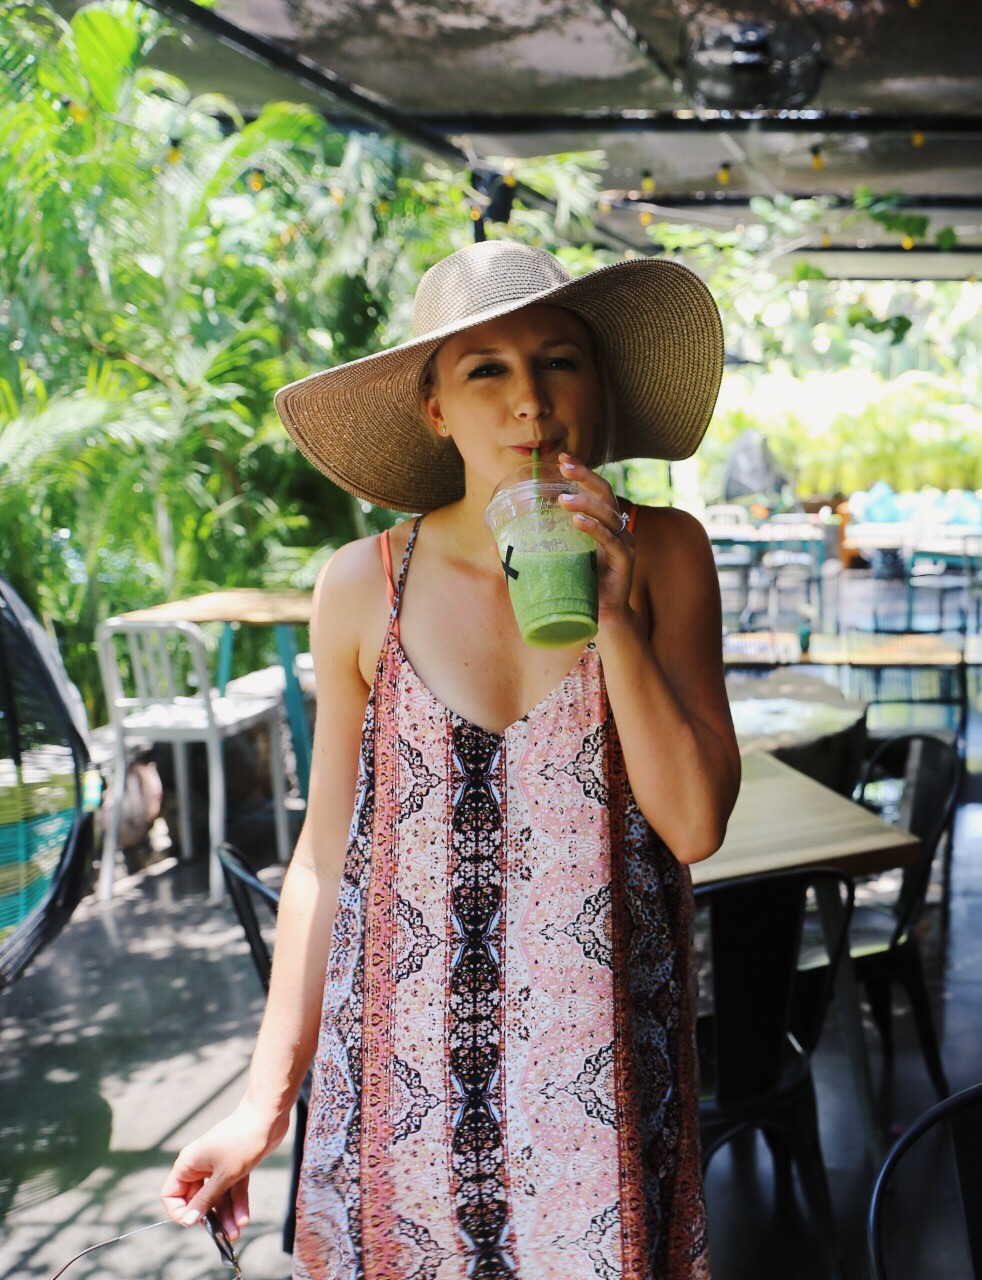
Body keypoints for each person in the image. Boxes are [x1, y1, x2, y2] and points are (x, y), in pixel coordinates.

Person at [160, 239, 739, 1279]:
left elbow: (694, 823)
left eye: (560, 360)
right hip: (400, 1106)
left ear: (598, 386)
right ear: (435, 407)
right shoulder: (361, 584)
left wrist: (611, 614)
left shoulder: (667, 554)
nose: (531, 401)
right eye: (487, 369)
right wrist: (262, 1101)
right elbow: (324, 858)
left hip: (598, 1110)